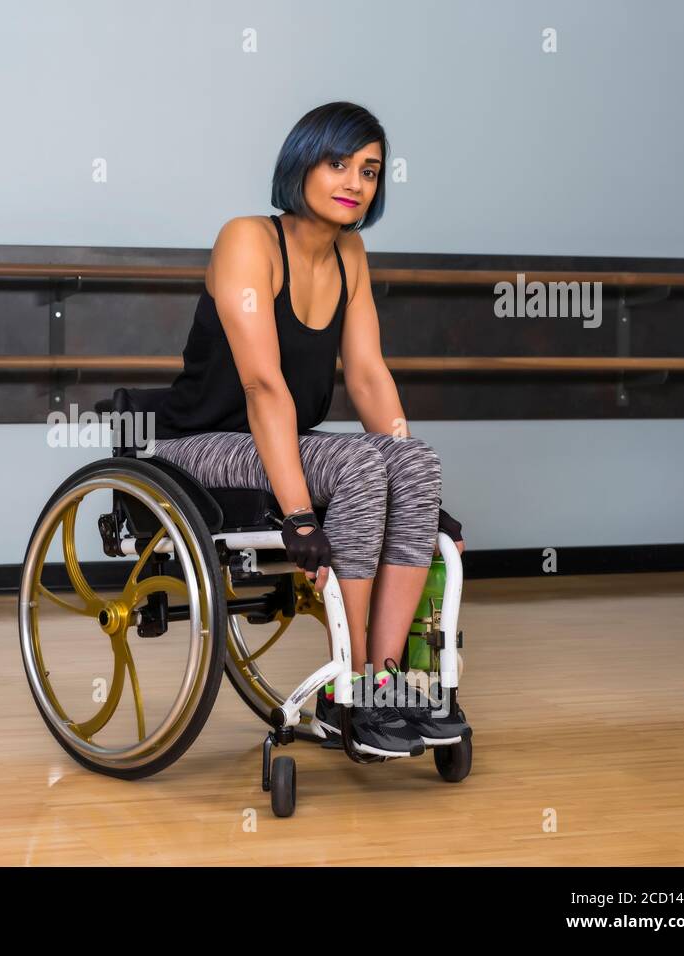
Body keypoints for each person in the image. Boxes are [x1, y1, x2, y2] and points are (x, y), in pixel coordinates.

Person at [152, 101, 470, 755]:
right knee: (357, 464)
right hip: (202, 444)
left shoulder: (351, 254)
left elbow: (369, 375)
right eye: (338, 163)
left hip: (286, 440)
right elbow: (263, 384)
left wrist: (420, 495)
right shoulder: (248, 239)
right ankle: (345, 689)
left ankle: (382, 686)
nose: (355, 181)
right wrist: (298, 514)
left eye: (370, 170)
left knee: (414, 461)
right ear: (302, 163)